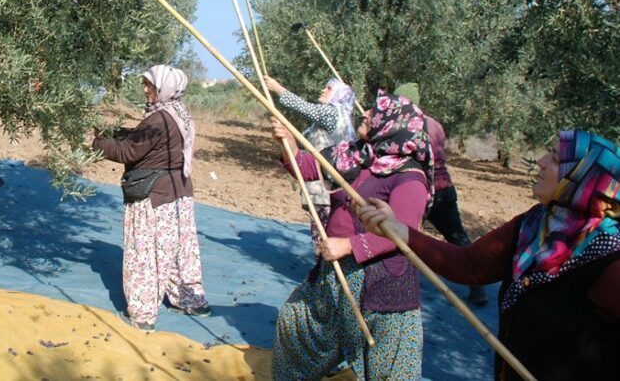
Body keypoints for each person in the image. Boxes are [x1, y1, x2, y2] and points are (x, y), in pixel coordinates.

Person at [357, 129, 620, 379]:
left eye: (554, 158)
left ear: (584, 177)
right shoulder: (534, 225)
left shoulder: (609, 258)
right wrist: (400, 231)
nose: (540, 162)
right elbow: (469, 265)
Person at [270, 90, 432, 381]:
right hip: (334, 276)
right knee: (294, 325)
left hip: (381, 287)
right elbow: (307, 168)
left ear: (392, 125)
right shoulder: (357, 154)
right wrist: (289, 145)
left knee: (385, 365)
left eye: (374, 112)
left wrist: (347, 245)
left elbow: (402, 231)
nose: (366, 114)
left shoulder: (410, 178)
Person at [91, 64, 210, 332]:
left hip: (155, 196)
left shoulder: (158, 120)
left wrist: (95, 142)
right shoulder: (177, 112)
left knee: (145, 253)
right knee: (179, 250)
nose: (145, 90)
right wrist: (112, 130)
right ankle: (190, 301)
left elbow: (128, 153)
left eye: (149, 85)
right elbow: (140, 138)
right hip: (178, 194)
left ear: (163, 88)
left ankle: (143, 314)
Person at [393, 82, 487, 307]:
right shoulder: (435, 124)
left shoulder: (407, 125)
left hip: (422, 189)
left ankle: (393, 283)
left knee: (400, 233)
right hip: (445, 188)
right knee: (457, 236)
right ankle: (478, 286)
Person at [263, 75, 358, 246]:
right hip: (330, 182)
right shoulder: (343, 117)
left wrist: (277, 89)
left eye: (329, 88)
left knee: (324, 233)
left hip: (325, 184)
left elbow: (304, 107)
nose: (323, 90)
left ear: (338, 95)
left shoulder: (332, 112)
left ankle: (323, 266)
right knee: (326, 229)